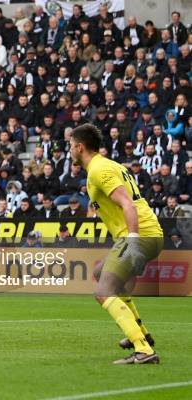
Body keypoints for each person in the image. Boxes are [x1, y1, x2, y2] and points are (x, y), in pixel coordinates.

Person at [70, 124, 163, 365]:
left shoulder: (99, 170)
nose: (70, 150)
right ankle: (141, 335)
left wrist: (132, 241)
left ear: (80, 147)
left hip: (139, 234)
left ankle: (143, 349)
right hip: (146, 232)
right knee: (101, 272)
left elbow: (128, 204)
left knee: (103, 291)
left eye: (71, 146)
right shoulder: (110, 165)